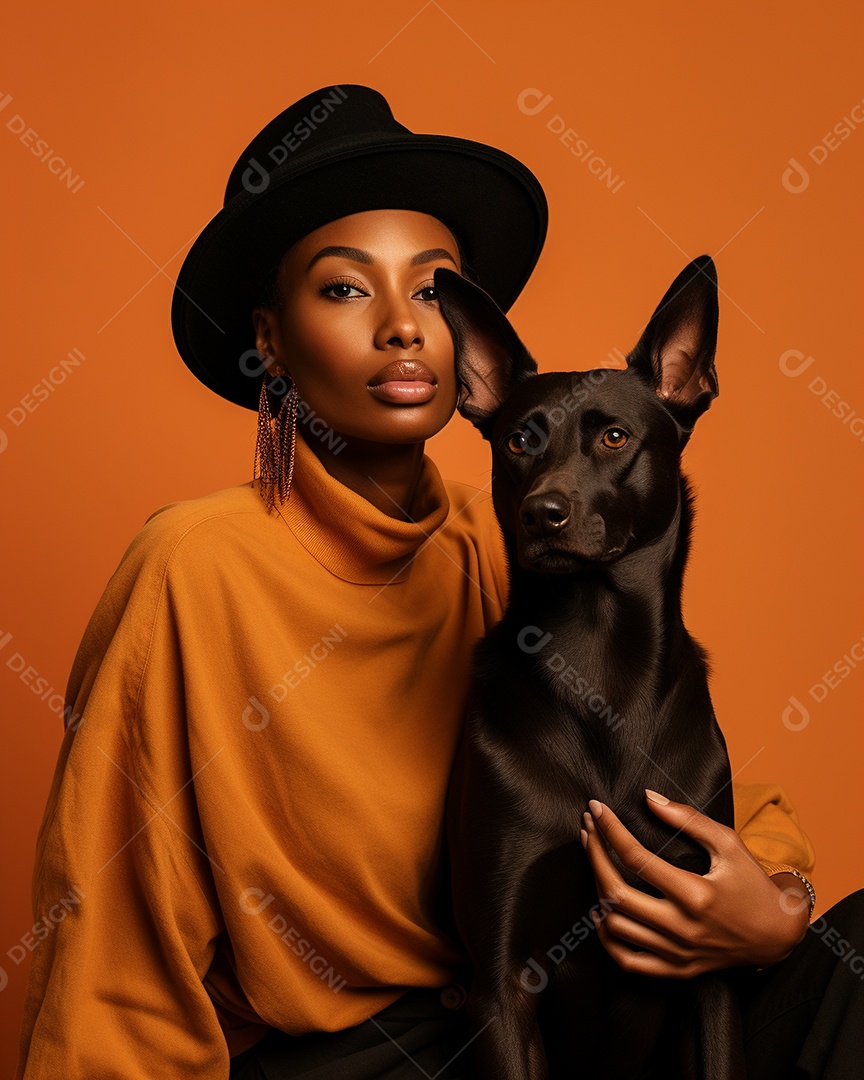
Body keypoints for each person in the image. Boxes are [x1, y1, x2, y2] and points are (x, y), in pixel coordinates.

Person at [13, 85, 862, 1080]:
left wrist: (776, 906)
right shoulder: (194, 567)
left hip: (539, 1022)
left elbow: (655, 782)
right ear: (270, 338)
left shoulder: (492, 538)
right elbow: (115, 933)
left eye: (429, 289)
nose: (401, 328)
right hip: (364, 1056)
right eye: (342, 288)